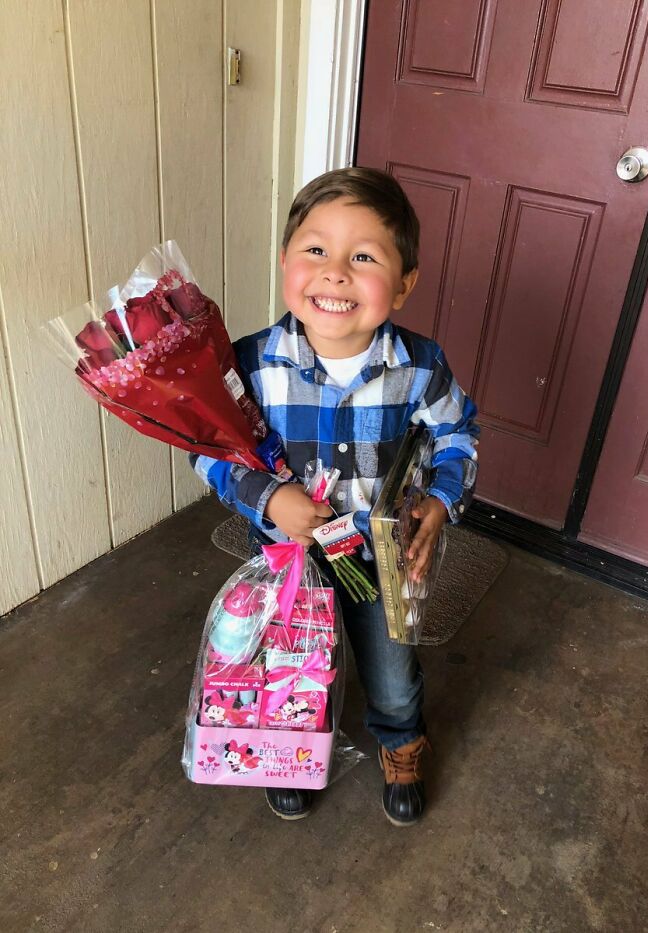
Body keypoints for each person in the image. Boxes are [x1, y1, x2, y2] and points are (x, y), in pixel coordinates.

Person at [191, 167, 478, 826]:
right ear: (285, 260)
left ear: (404, 283)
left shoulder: (421, 367)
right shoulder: (248, 366)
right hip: (291, 569)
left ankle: (401, 742)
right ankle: (289, 750)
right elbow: (208, 449)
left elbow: (459, 433)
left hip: (381, 562)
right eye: (316, 250)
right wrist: (267, 497)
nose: (335, 271)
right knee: (290, 667)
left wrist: (439, 500)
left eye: (365, 256)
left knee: (392, 668)